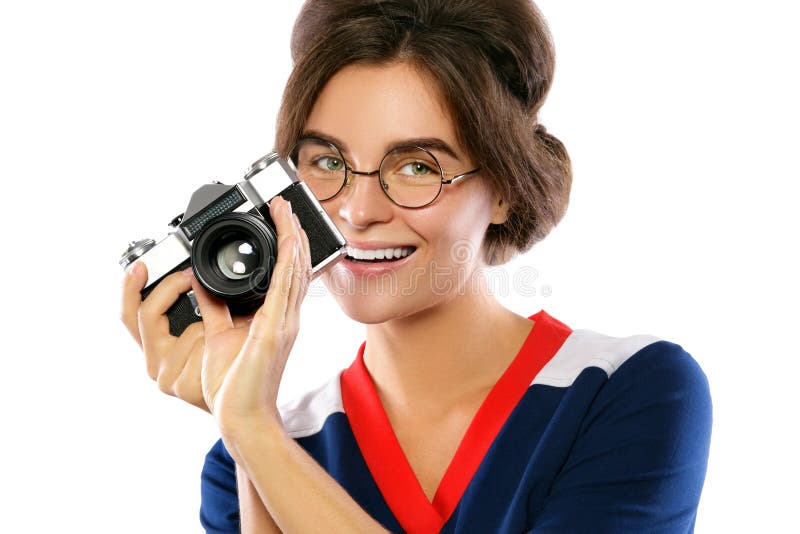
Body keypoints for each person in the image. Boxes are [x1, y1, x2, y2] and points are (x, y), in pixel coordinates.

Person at [120, 0, 712, 532]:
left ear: (505, 187)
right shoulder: (243, 459)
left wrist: (256, 433)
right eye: (327, 161)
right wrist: (246, 425)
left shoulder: (627, 390)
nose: (357, 210)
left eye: (418, 167)